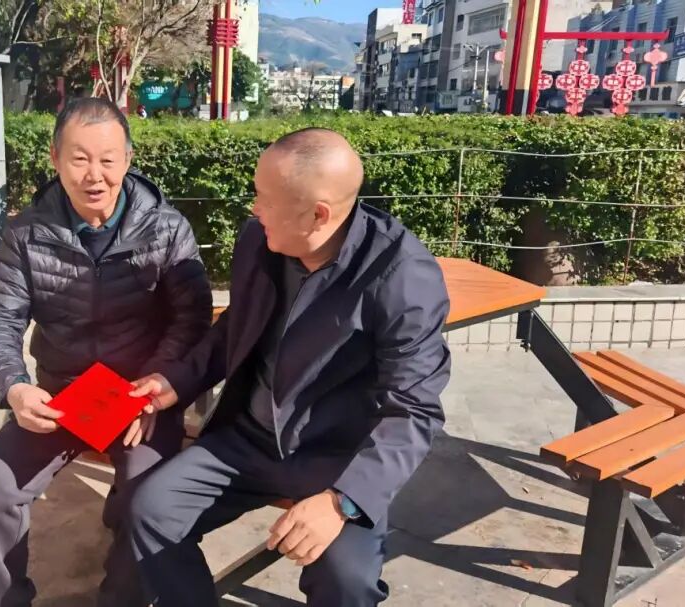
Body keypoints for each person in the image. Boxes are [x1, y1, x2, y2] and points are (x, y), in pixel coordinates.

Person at [127, 128, 451, 607]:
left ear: (318, 214)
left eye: (265, 198)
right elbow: (236, 326)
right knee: (150, 511)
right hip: (246, 441)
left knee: (346, 578)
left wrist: (343, 500)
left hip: (335, 458)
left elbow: (415, 410)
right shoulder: (260, 239)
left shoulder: (402, 277)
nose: (254, 208)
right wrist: (177, 380)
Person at [0, 97, 212, 607]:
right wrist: (14, 387)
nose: (94, 175)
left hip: (139, 399)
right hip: (63, 397)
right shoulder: (28, 232)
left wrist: (156, 384)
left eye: (107, 159)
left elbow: (190, 319)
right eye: (79, 159)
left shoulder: (166, 229)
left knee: (149, 496)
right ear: (55, 159)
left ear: (128, 160)